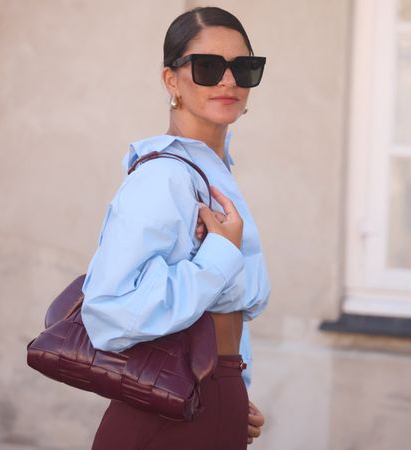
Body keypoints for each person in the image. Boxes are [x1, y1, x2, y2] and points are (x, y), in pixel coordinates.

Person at [81, 6, 270, 450]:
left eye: (243, 68)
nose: (228, 81)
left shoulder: (212, 174)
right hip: (165, 417)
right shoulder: (164, 178)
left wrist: (234, 385)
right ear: (172, 81)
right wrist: (219, 257)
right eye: (207, 67)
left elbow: (225, 316)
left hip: (211, 398)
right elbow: (108, 312)